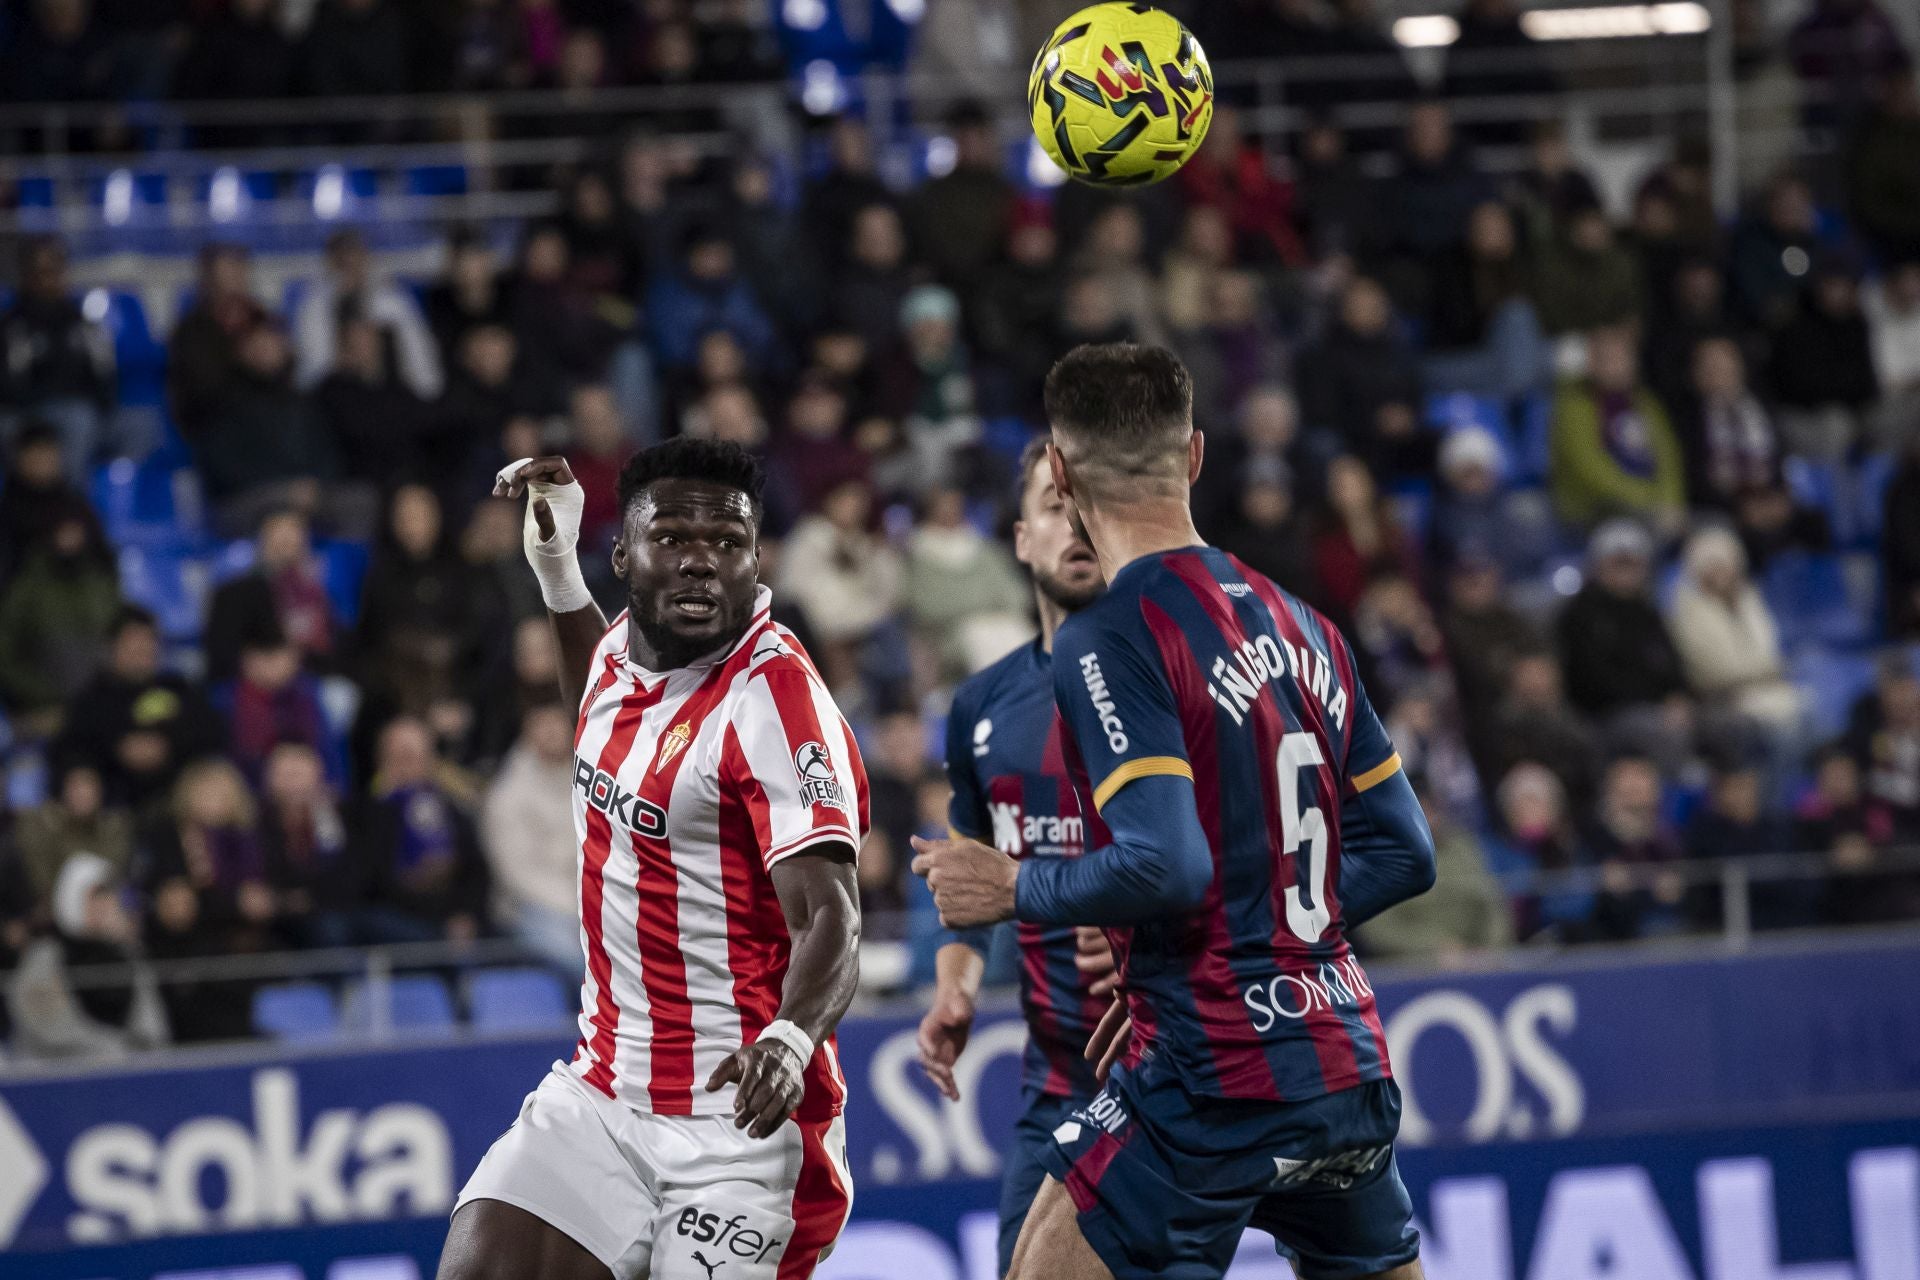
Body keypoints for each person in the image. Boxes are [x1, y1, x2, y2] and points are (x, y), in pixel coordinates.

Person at [911, 345, 1434, 1280]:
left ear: (1062, 478)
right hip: (1342, 1056)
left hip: (1214, 1073)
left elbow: (1169, 865)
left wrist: (1013, 885)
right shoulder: (1304, 620)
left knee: (1037, 1264)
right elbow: (1404, 852)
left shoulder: (1108, 635)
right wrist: (1256, 937)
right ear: (1194, 455)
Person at [443, 439, 866, 1280]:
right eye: (673, 538)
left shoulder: (773, 701)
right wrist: (557, 571)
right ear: (624, 554)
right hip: (602, 1091)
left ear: (757, 560)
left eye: (727, 544)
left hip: (741, 1125)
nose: (702, 563)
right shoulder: (618, 660)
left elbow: (834, 915)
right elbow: (595, 711)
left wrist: (789, 1040)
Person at [916, 440, 1116, 1276]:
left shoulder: (1180, 680)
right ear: (1021, 539)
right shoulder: (984, 703)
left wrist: (1149, 930)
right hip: (1059, 1082)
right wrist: (956, 988)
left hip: (1191, 1061)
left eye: (1091, 506)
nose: (1074, 523)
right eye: (1052, 505)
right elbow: (969, 872)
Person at [480, 701, 582, 974]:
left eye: (559, 724)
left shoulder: (590, 782)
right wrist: (575, 906)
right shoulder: (507, 795)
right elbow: (516, 875)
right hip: (531, 909)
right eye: (544, 725)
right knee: (585, 965)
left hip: (592, 900)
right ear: (528, 732)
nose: (553, 732)